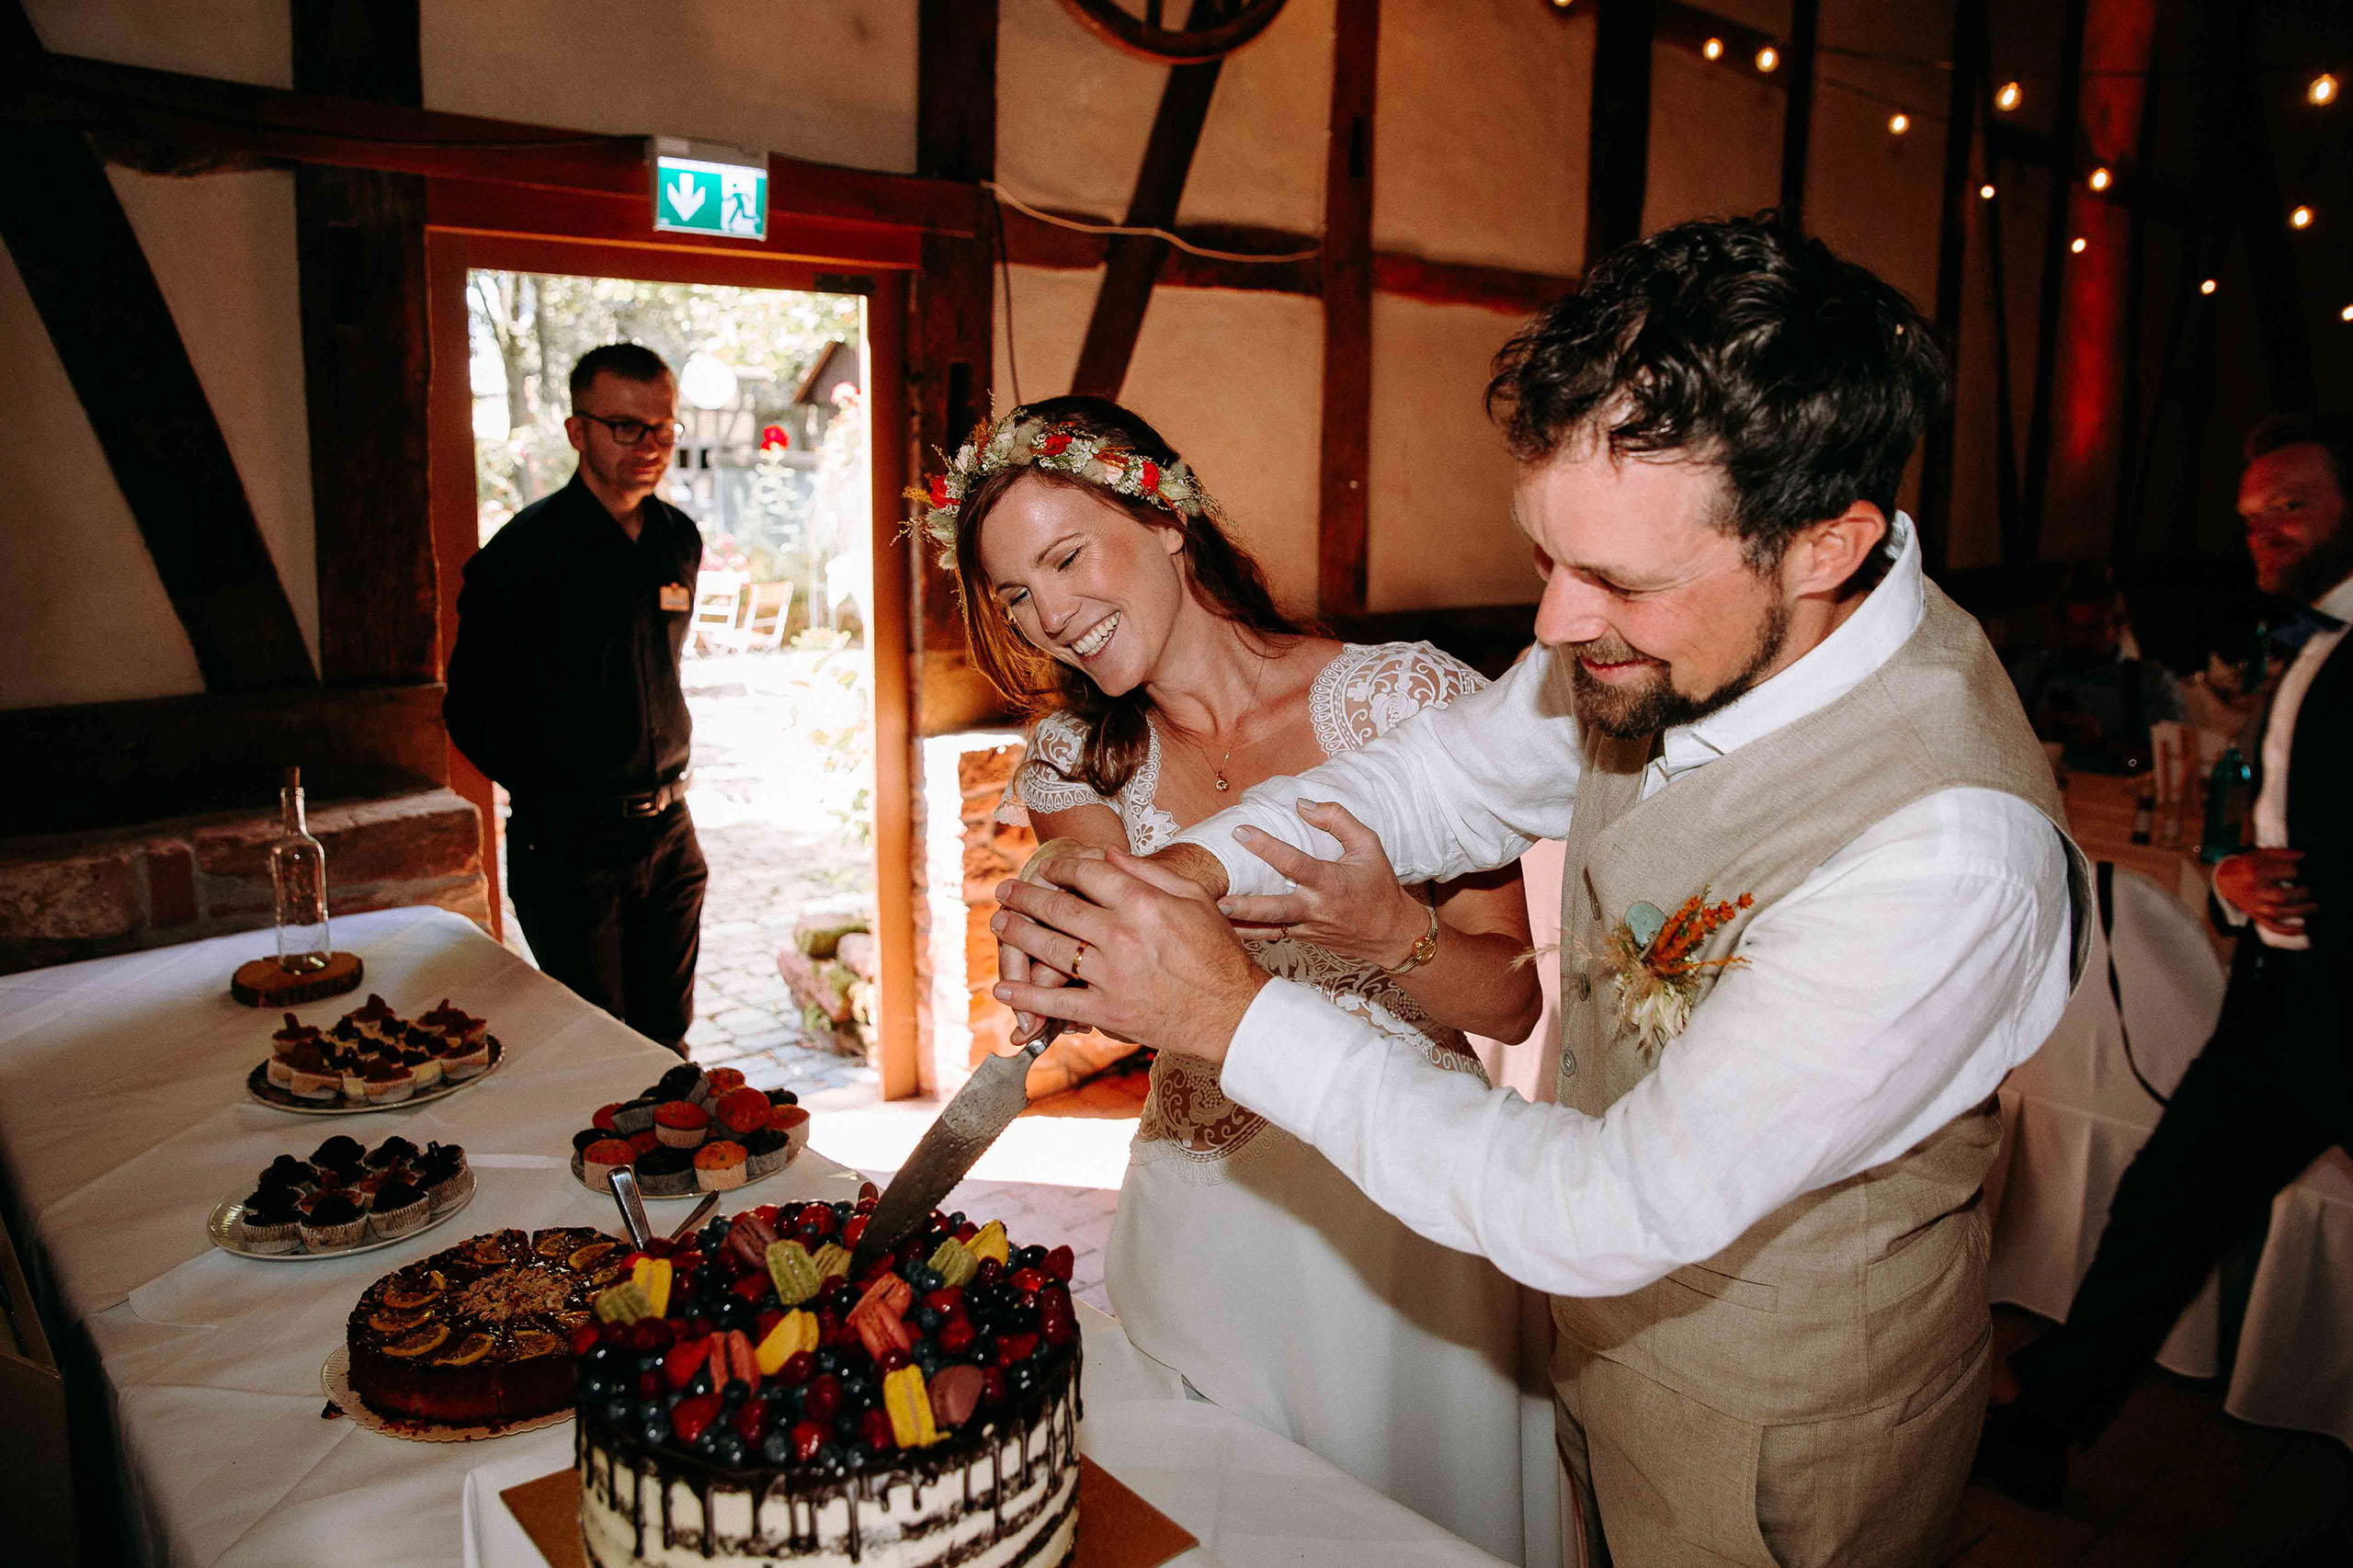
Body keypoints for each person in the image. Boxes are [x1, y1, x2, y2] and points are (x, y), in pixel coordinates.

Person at [987, 218, 2090, 1568]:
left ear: (1824, 545)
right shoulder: (1650, 636)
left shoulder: (1946, 853)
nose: (1561, 626)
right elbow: (1435, 779)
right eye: (1544, 559)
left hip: (1772, 1429)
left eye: (1618, 578)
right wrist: (1185, 872)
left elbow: (1609, 1208)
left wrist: (1233, 1017)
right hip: (1589, 1350)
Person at [920, 394, 1552, 1563]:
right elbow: (1119, 945)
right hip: (1212, 1208)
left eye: (1065, 556)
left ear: (1165, 516)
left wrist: (1385, 936)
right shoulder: (1073, 761)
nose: (1051, 615)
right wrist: (1053, 938)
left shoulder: (1401, 702)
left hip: (1403, 1202)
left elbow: (1513, 997)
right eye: (1015, 593)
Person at [1976, 412, 2353, 1506]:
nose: (2265, 535)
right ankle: (2047, 1419)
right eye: (2250, 520)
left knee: (2172, 1203)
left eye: (2291, 505)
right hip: (2284, 997)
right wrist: (2235, 881)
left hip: (2331, 1005)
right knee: (2169, 1204)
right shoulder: (2308, 643)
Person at [445, 344, 708, 1053]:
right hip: (571, 846)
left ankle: (683, 1162)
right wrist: (560, 793)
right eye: (626, 426)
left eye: (662, 428)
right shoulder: (523, 558)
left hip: (670, 832)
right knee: (598, 1050)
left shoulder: (676, 539)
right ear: (576, 431)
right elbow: (468, 710)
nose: (649, 446)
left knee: (666, 1042)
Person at [2004, 565, 2185, 773]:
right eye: (2074, 629)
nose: (2082, 640)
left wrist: (2102, 743)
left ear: (2119, 626)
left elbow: (2171, 765)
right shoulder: (2032, 671)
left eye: (2094, 629)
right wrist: (2033, 730)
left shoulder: (2152, 684)